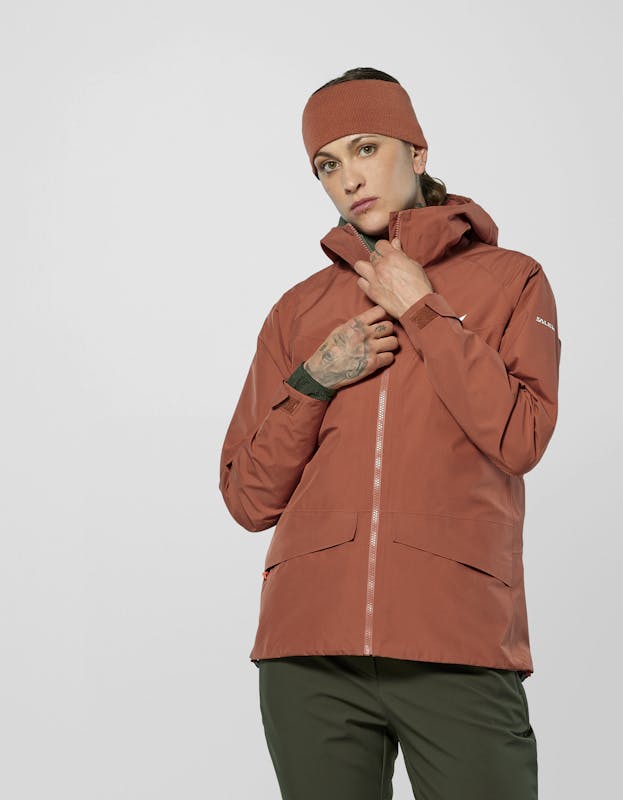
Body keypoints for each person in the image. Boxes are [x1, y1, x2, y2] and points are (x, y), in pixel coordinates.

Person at [219, 66, 561, 800]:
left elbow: (521, 437)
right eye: (326, 164)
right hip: (309, 653)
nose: (348, 178)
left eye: (366, 148)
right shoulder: (298, 311)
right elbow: (248, 497)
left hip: (456, 642)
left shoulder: (512, 281)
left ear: (418, 151)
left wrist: (423, 311)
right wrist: (314, 380)